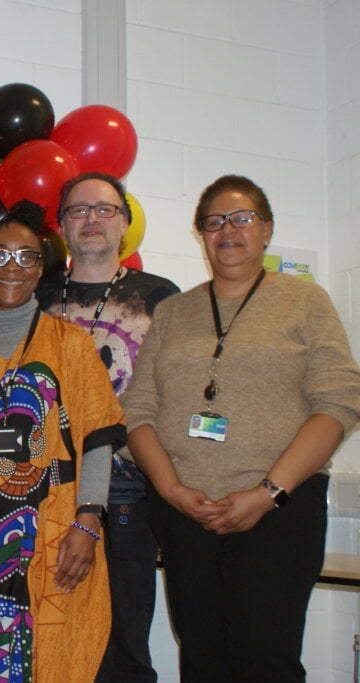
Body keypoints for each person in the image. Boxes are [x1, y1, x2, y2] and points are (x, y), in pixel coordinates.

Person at [121, 175, 360, 682]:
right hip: (186, 516)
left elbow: (340, 402)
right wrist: (172, 491)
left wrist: (267, 493)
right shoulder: (173, 312)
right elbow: (137, 411)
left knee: (265, 659)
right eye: (214, 222)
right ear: (201, 235)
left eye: (242, 218)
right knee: (202, 658)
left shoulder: (305, 302)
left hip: (279, 513)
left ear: (267, 229)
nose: (227, 230)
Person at [0, 200, 126, 683]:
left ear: (41, 268)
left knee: (52, 656)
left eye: (25, 257)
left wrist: (89, 521)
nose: (11, 268)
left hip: (58, 538)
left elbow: (98, 436)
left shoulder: (72, 346)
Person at [36, 172, 179, 683]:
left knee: (124, 643)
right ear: (61, 226)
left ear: (124, 222)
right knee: (52, 641)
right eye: (78, 210)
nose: (91, 219)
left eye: (105, 209)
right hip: (46, 489)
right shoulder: (36, 295)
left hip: (128, 491)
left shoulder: (160, 296)